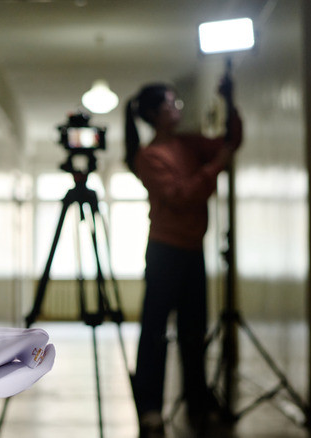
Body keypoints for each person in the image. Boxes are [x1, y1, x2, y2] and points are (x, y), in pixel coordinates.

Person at [124, 76, 242, 436]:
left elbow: (230, 141)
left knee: (194, 332)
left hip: (192, 252)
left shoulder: (189, 144)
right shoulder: (149, 157)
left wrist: (229, 102)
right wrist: (217, 165)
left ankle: (196, 402)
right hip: (164, 252)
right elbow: (181, 196)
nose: (178, 109)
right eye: (171, 104)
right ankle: (150, 408)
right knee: (155, 332)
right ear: (155, 114)